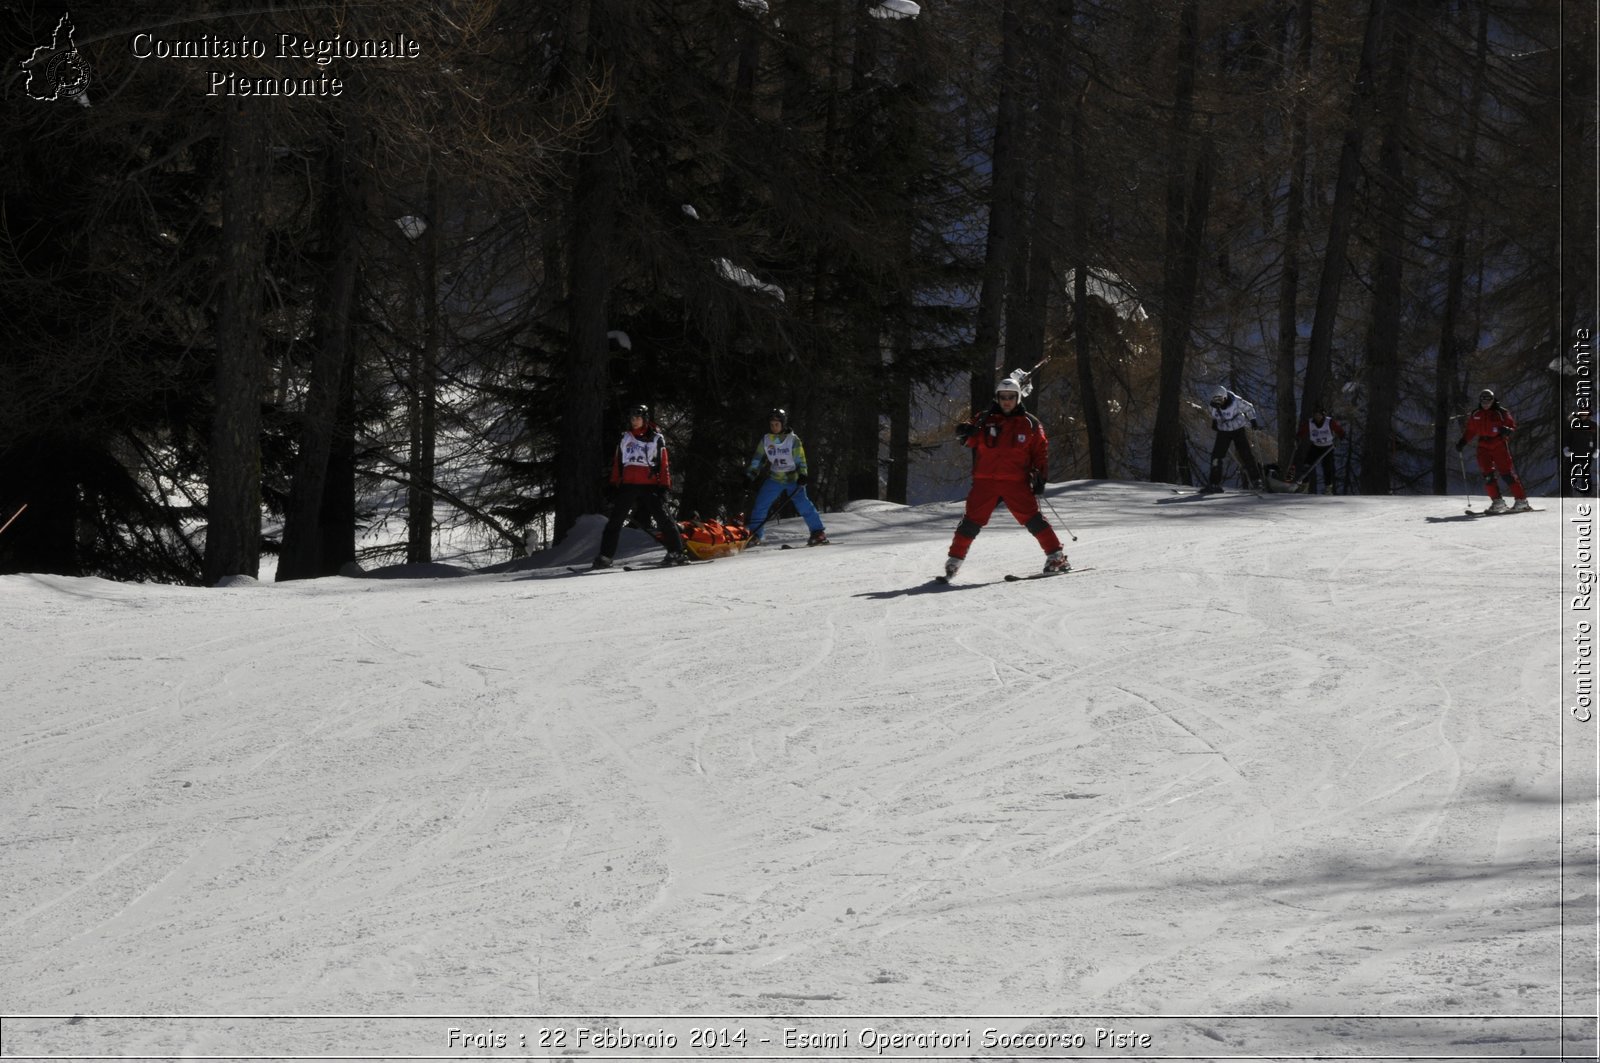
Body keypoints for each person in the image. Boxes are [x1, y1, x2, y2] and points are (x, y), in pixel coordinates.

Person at [943, 376, 1067, 578]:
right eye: (1003, 397)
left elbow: (1040, 451)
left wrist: (1040, 477)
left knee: (1033, 519)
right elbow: (968, 440)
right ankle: (954, 560)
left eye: (1011, 396)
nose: (1006, 401)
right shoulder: (984, 419)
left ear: (1018, 397)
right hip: (985, 481)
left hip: (1015, 482)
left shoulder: (1030, 423)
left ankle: (1056, 556)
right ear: (997, 398)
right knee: (971, 521)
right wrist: (963, 431)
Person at [593, 404, 688, 568]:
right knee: (614, 522)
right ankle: (605, 557)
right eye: (632, 418)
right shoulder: (625, 437)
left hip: (650, 485)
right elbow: (618, 462)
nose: (634, 421)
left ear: (644, 419)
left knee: (664, 520)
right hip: (628, 485)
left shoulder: (656, 438)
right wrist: (614, 482)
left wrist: (664, 485)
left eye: (637, 418)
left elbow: (664, 463)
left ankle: (676, 552)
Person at [744, 408, 828, 545]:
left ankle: (818, 532)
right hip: (775, 478)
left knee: (803, 504)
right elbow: (758, 459)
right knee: (761, 504)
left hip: (793, 479)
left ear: (783, 424)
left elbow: (801, 460)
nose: (774, 427)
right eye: (771, 424)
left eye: (776, 424)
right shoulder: (766, 440)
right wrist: (750, 476)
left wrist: (802, 474)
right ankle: (755, 535)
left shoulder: (793, 440)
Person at [1456, 388, 1530, 513]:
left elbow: (1512, 425)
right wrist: (1463, 441)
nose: (1486, 404)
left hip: (1498, 444)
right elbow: (1471, 430)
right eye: (1483, 401)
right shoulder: (1476, 414)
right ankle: (1497, 502)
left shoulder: (1501, 412)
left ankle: (1521, 501)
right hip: (1483, 445)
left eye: (1488, 400)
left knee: (1506, 473)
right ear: (1480, 401)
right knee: (1487, 476)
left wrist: (1507, 430)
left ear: (1493, 400)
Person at [1202, 384, 1265, 493]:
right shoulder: (1212, 407)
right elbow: (1214, 416)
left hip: (1238, 429)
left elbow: (1249, 407)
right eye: (1215, 399)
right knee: (1217, 456)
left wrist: (1253, 420)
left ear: (1225, 397)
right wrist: (1215, 423)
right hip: (1224, 431)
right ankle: (1214, 483)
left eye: (1220, 399)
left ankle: (1256, 480)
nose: (1218, 402)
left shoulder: (1236, 401)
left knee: (1246, 454)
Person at [1290, 406, 1347, 494]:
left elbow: (1341, 432)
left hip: (1328, 447)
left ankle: (1328, 489)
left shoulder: (1330, 422)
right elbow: (1301, 432)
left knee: (1327, 468)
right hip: (1315, 446)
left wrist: (1338, 439)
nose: (1317, 417)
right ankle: (1304, 486)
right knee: (1306, 465)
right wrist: (1297, 439)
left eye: (1319, 415)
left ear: (1323, 415)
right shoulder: (1310, 423)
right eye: (1315, 415)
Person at [1565, 408, 1595, 497]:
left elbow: (1596, 438)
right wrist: (1566, 448)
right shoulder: (1572, 423)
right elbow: (1567, 437)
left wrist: (1597, 449)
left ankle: (1587, 494)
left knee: (1586, 474)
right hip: (1573, 452)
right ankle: (1566, 494)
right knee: (1568, 473)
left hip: (1587, 452)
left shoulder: (1593, 425)